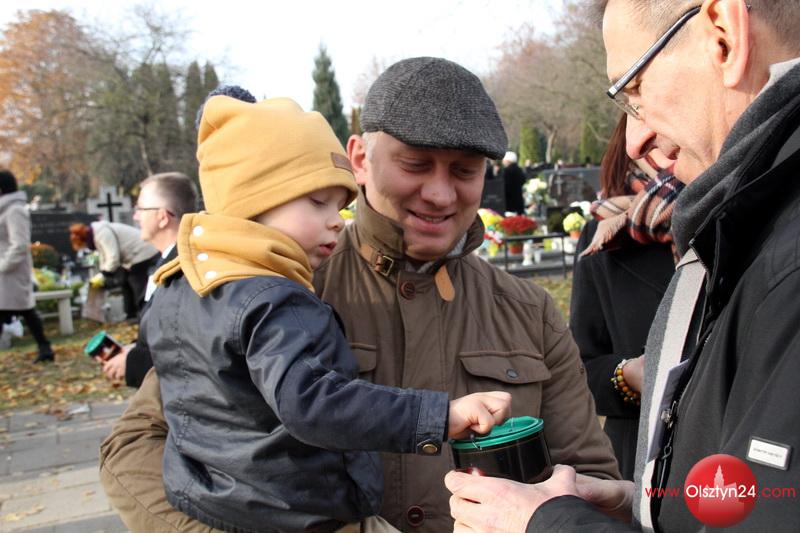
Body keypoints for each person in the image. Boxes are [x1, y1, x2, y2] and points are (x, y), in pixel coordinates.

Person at [100, 57, 620, 532]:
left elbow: (588, 477)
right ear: (359, 159)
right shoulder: (265, 289)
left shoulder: (528, 312)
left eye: (464, 171)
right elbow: (133, 447)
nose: (440, 194)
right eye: (415, 164)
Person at [446, 0, 800, 531]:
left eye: (634, 92)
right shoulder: (750, 227)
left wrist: (546, 523)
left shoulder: (784, 257)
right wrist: (646, 507)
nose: (633, 141)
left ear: (724, 36)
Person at [148, 89, 513, 532]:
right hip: (301, 512)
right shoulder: (276, 298)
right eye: (317, 202)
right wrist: (439, 416)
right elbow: (313, 402)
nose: (337, 220)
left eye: (340, 205)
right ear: (252, 203)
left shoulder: (178, 287)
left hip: (210, 503)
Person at [570, 115, 682, 480]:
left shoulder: (744, 215)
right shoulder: (606, 235)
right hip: (651, 457)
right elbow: (582, 368)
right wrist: (627, 375)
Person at [99, 172, 198, 387]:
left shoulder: (187, 272)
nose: (135, 216)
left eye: (141, 209)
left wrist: (133, 362)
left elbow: (191, 352)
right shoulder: (168, 262)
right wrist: (132, 350)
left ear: (162, 217)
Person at [0, 169, 55, 363]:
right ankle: (45, 348)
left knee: (22, 310)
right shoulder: (6, 209)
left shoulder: (15, 210)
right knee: (25, 312)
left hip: (11, 272)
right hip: (6, 273)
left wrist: (3, 265)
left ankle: (45, 348)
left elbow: (20, 244)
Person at [69, 219, 158, 319]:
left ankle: (143, 314)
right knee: (126, 284)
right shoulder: (96, 234)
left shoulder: (102, 233)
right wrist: (103, 272)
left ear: (84, 240)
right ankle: (131, 315)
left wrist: (105, 273)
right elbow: (104, 256)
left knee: (136, 283)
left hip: (142, 252)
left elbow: (113, 256)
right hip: (133, 256)